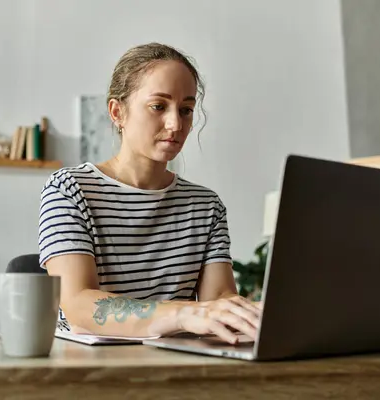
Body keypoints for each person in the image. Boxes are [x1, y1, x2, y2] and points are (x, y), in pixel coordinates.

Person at [38, 42, 261, 345]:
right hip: (88, 371)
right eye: (159, 106)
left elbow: (219, 299)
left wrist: (244, 314)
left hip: (176, 366)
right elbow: (78, 304)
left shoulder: (206, 206)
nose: (176, 124)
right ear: (118, 112)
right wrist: (183, 314)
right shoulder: (69, 190)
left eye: (186, 110)